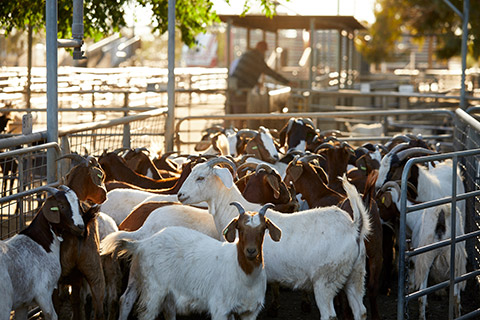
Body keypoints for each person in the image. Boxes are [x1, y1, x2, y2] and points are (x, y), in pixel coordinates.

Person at [228, 41, 292, 127]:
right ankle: (238, 135)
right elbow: (268, 71)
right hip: (241, 88)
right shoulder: (257, 58)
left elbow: (246, 72)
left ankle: (233, 132)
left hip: (234, 86)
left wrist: (256, 83)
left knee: (233, 112)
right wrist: (287, 82)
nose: (264, 53)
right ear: (261, 49)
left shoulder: (248, 54)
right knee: (240, 113)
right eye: (264, 50)